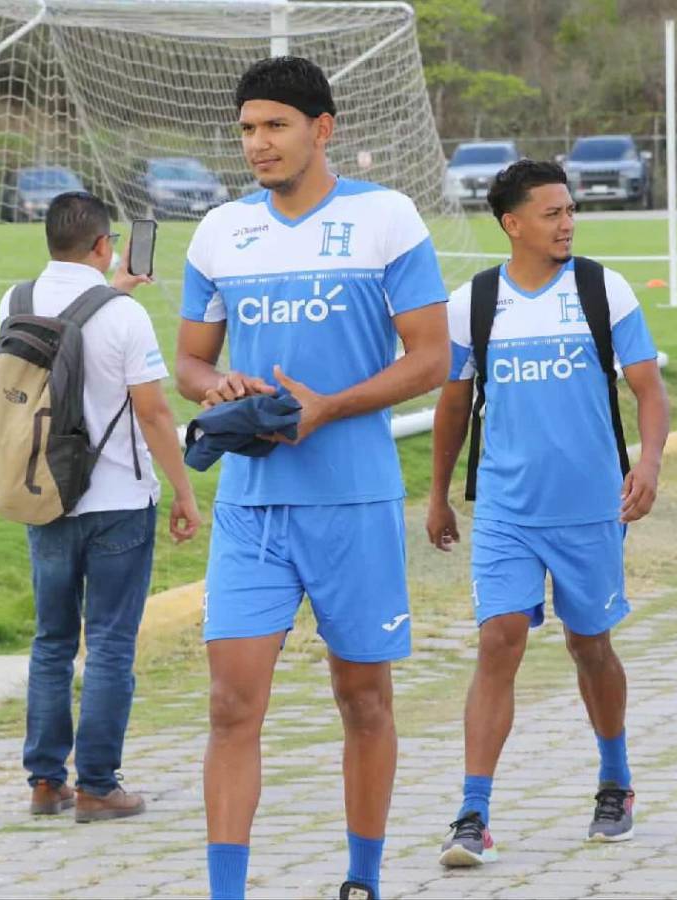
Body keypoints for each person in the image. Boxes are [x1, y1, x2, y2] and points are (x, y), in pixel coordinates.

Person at [174, 56, 449, 900]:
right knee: (230, 705)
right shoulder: (221, 230)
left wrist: (330, 407)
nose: (258, 144)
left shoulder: (387, 219)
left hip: (355, 503)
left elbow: (434, 357)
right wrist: (215, 386)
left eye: (275, 126)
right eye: (248, 129)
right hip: (251, 508)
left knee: (362, 698)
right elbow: (187, 359)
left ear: (321, 129)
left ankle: (361, 880)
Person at [427, 159, 669, 866]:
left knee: (589, 644)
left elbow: (649, 391)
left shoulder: (603, 290)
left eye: (570, 211)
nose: (566, 223)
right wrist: (438, 493)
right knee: (499, 639)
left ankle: (615, 779)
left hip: (591, 510)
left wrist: (647, 464)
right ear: (512, 224)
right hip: (506, 510)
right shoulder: (471, 302)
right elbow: (452, 407)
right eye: (551, 212)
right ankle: (472, 813)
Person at [0, 191, 201, 822]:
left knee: (53, 640)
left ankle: (44, 781)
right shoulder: (124, 318)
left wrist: (113, 290)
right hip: (117, 501)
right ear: (105, 244)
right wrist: (184, 491)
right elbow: (154, 410)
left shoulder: (17, 300)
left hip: (45, 495)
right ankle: (97, 784)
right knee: (110, 643)